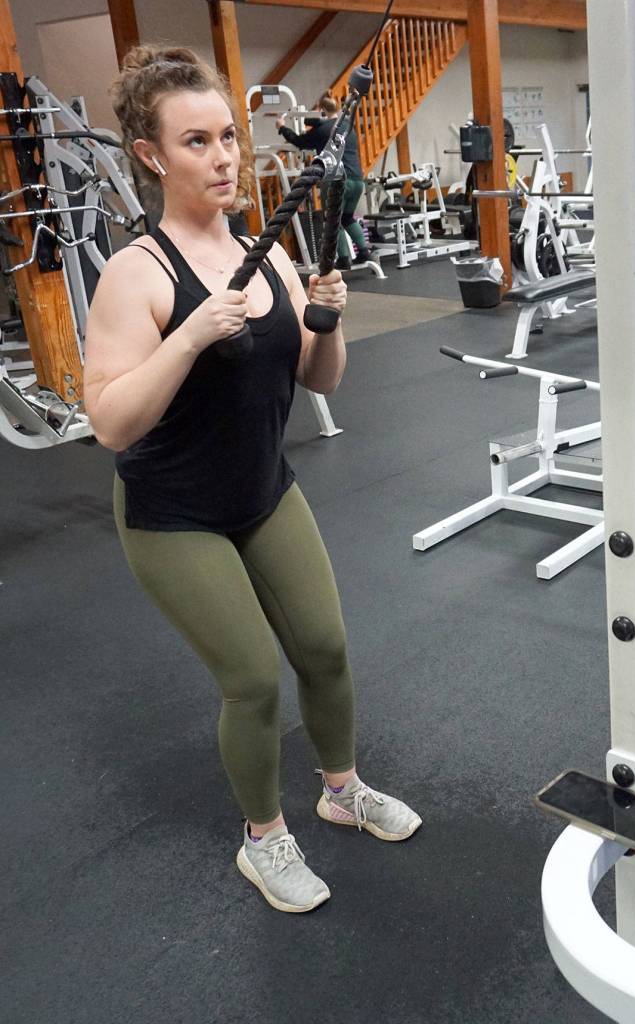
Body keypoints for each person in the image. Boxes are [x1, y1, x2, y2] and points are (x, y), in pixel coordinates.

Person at [84, 45, 420, 915]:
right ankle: (262, 839)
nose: (225, 157)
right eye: (197, 141)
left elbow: (319, 380)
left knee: (326, 649)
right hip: (173, 513)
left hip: (263, 489)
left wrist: (329, 322)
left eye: (229, 136)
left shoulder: (261, 252)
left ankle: (340, 790)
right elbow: (112, 425)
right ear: (152, 156)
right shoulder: (137, 273)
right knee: (252, 681)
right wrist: (190, 336)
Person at [276, 92, 371, 270]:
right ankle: (364, 251)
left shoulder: (322, 131)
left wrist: (282, 127)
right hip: (357, 180)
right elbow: (323, 123)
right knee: (347, 217)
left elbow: (299, 141)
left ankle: (343, 258)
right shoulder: (347, 126)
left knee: (333, 219)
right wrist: (312, 121)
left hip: (338, 180)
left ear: (320, 109)